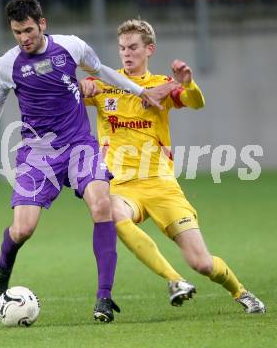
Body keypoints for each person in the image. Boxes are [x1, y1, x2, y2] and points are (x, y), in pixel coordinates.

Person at [0, 0, 174, 323]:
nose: (23, 37)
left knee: (101, 206)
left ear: (42, 24)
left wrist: (141, 93)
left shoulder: (72, 47)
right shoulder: (5, 65)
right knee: (23, 229)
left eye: (28, 30)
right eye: (17, 32)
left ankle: (104, 297)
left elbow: (103, 73)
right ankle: (1, 273)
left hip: (79, 145)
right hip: (38, 154)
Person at [80, 19, 266, 314]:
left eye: (133, 47)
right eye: (122, 48)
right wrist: (81, 87)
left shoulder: (161, 86)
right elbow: (68, 97)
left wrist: (188, 83)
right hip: (121, 184)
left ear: (149, 49)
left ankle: (241, 292)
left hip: (161, 185)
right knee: (111, 212)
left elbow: (195, 102)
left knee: (202, 262)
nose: (126, 54)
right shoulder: (106, 84)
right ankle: (174, 280)